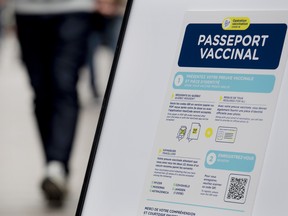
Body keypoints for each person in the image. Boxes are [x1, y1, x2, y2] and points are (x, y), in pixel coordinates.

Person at [13, 0, 93, 206]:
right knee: (41, 91)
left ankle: (57, 165)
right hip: (27, 11)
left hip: (73, 9)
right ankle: (53, 164)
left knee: (63, 84)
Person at [87, 0, 126, 98]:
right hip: (94, 18)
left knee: (119, 54)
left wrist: (113, 6)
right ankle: (94, 88)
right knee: (90, 55)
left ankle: (119, 86)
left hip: (115, 16)